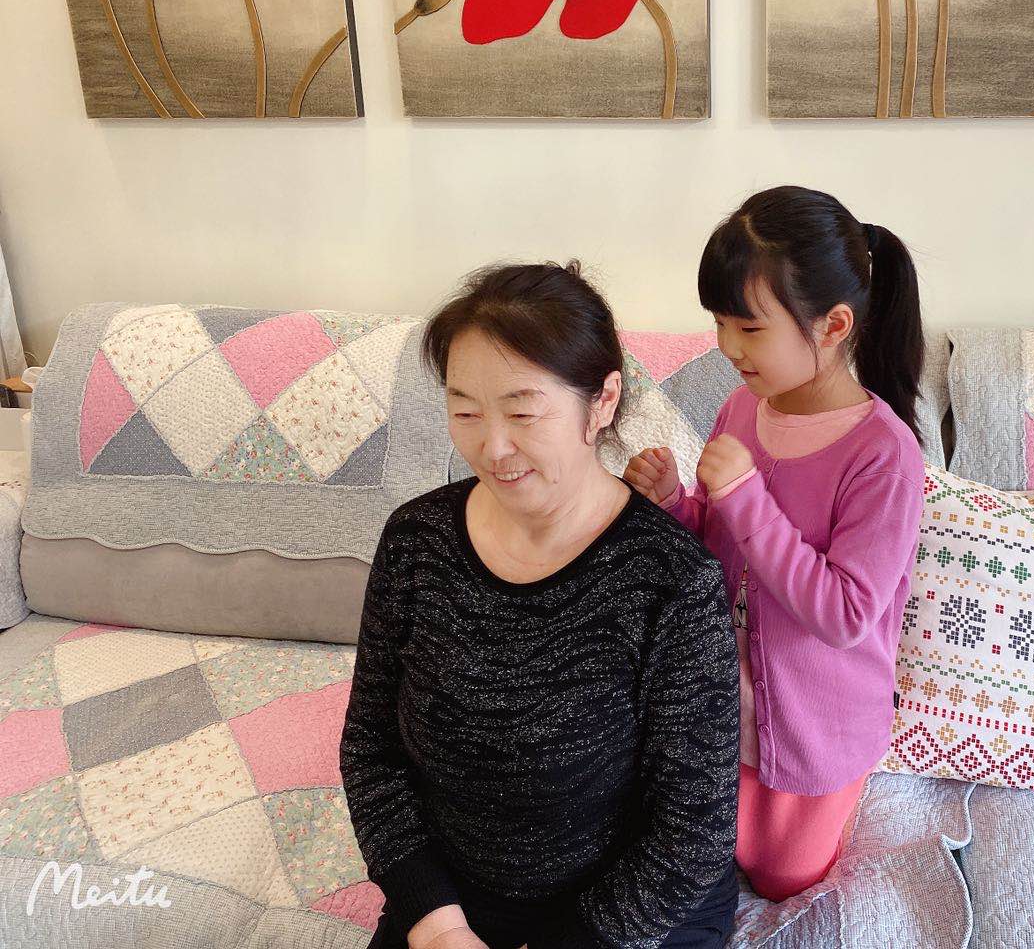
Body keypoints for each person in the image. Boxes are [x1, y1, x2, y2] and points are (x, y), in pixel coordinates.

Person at [341, 262, 740, 949]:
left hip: (625, 917)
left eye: (522, 412)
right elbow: (371, 750)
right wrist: (436, 922)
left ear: (602, 401)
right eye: (466, 412)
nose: (492, 447)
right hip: (457, 902)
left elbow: (694, 832)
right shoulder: (416, 541)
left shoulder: (671, 581)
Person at [626, 185, 926, 901]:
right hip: (715, 717)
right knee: (693, 878)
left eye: (749, 328)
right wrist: (674, 504)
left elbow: (846, 614)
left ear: (833, 325)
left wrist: (744, 498)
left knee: (783, 884)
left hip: (814, 738)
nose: (727, 347)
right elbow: (721, 552)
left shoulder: (884, 455)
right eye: (719, 323)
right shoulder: (742, 407)